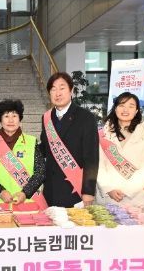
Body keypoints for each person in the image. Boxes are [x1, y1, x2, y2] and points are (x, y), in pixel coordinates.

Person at [40, 71, 99, 207]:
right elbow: (45, 148)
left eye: (62, 88)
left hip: (75, 190)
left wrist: (88, 191)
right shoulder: (46, 118)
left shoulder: (86, 118)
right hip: (50, 190)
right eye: (53, 89)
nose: (57, 93)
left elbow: (91, 158)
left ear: (71, 91)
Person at [0, 99, 45, 211]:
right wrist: (0, 191)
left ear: (20, 119)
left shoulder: (31, 142)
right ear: (0, 119)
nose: (10, 120)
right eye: (6, 116)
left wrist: (25, 193)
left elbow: (40, 171)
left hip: (26, 205)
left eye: (14, 116)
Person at [96, 92, 144, 205]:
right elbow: (99, 164)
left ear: (137, 111)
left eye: (131, 106)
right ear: (115, 108)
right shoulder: (103, 133)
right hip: (109, 196)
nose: (125, 110)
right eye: (121, 105)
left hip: (137, 196)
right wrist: (109, 188)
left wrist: (128, 189)